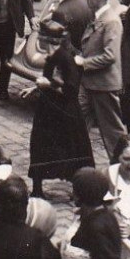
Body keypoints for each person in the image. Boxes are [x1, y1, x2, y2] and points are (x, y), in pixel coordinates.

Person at [27, 18, 95, 197]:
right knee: (43, 146)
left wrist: (47, 85)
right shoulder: (55, 55)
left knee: (70, 149)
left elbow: (70, 89)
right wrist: (36, 87)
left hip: (64, 111)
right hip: (49, 109)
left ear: (50, 40)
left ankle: (78, 188)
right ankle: (37, 188)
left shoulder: (65, 58)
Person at [76, 0, 128, 163]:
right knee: (78, 125)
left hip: (104, 86)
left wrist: (83, 62)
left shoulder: (111, 21)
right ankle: (80, 165)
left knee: (113, 132)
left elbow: (110, 55)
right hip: (89, 84)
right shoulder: (98, 18)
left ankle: (124, 167)